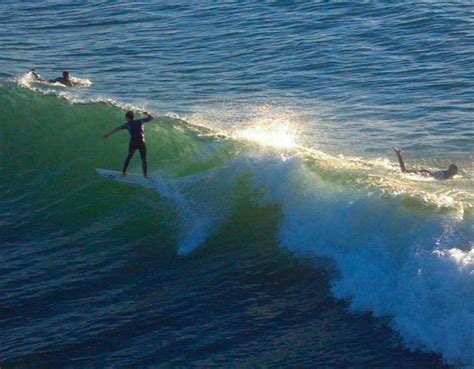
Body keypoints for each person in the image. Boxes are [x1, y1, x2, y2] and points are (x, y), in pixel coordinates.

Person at [104, 111, 155, 178]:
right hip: (141, 143)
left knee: (129, 157)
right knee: (143, 160)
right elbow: (151, 118)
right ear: (134, 117)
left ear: (127, 118)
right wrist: (147, 114)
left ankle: (124, 172)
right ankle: (145, 175)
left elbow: (117, 129)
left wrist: (108, 134)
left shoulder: (127, 125)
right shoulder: (140, 121)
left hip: (133, 143)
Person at [393, 147, 458, 180]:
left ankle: (399, 155)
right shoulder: (448, 175)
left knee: (405, 171)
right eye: (455, 171)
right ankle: (399, 155)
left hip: (428, 172)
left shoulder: (448, 173)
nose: (456, 172)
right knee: (404, 171)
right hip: (427, 174)